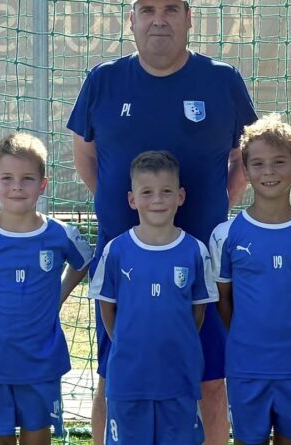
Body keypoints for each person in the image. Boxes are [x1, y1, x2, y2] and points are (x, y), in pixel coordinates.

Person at [68, 0, 258, 441]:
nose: (159, 19)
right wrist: (124, 210)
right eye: (148, 9)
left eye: (171, 9)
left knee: (209, 382)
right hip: (125, 268)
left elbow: (244, 157)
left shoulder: (222, 80)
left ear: (189, 19)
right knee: (114, 378)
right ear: (131, 20)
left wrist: (218, 205)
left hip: (200, 267)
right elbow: (86, 157)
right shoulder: (104, 80)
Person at [0, 133, 92, 445]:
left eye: (27, 179)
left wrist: (59, 294)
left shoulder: (61, 235)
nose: (17, 187)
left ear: (43, 184)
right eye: (7, 178)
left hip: (41, 358)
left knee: (37, 437)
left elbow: (83, 262)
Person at [209, 114, 291, 445]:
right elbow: (224, 301)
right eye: (258, 164)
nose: (269, 172)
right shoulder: (226, 235)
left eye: (279, 162)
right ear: (246, 170)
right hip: (247, 366)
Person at [89, 150, 218, 444]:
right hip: (128, 382)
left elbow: (197, 314)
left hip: (179, 381)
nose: (157, 199)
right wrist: (126, 341)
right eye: (147, 192)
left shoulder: (195, 251)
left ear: (180, 196)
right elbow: (107, 308)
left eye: (166, 191)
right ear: (132, 200)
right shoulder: (116, 251)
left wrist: (178, 340)